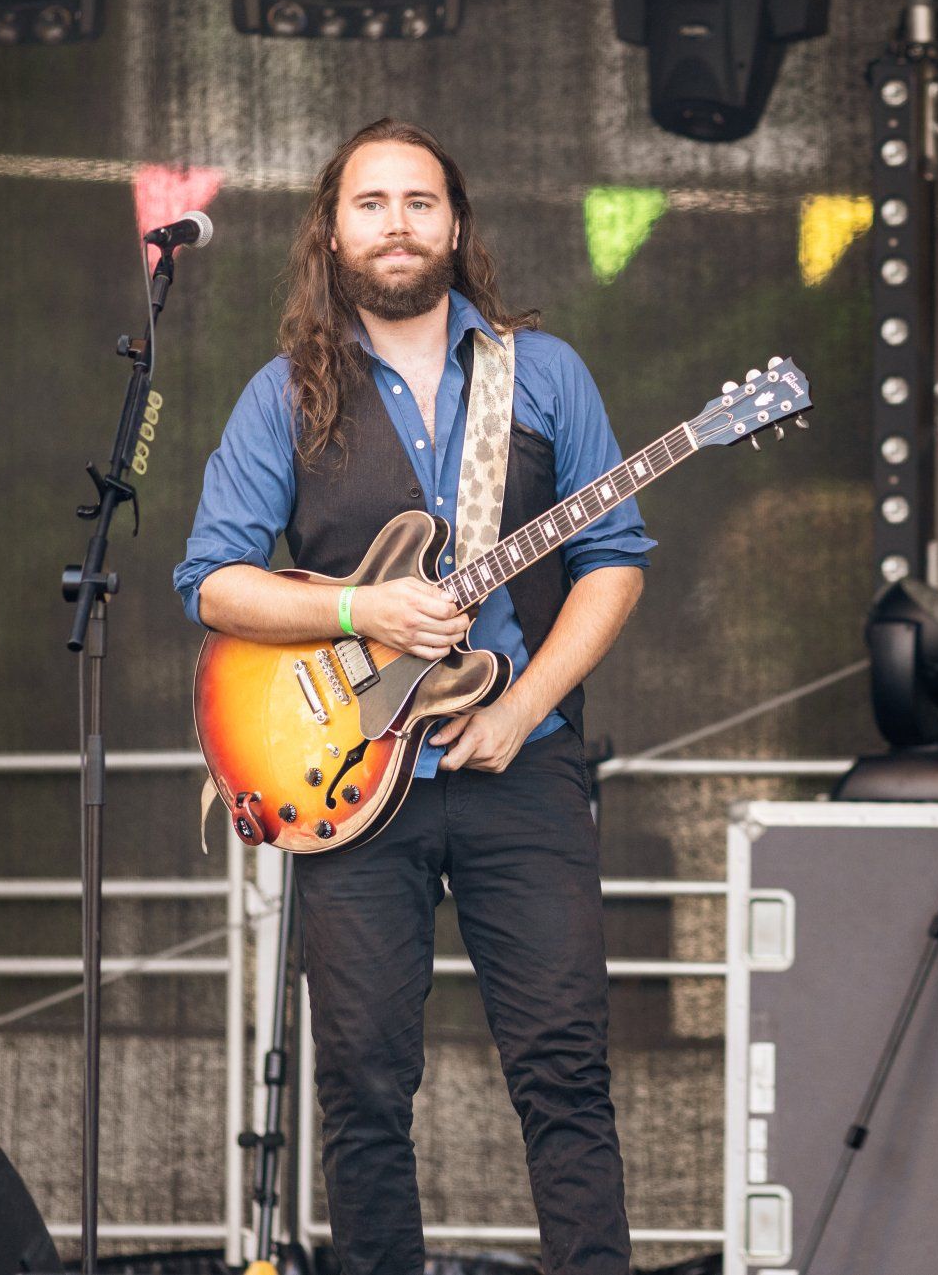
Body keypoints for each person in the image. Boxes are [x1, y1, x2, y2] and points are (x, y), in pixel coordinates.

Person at [173, 117, 650, 1275]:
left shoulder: (544, 374)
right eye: (372, 203)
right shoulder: (285, 394)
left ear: (456, 225)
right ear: (333, 232)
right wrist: (361, 612)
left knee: (565, 1072)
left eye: (420, 202)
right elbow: (214, 583)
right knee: (364, 1085)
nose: (398, 224)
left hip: (520, 765)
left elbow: (615, 560)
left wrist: (521, 708)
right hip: (348, 778)